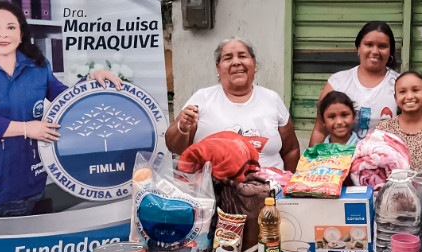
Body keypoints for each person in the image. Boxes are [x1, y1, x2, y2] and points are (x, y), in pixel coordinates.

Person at [0, 0, 122, 218]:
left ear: (21, 34)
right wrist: (25, 128)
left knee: (28, 237)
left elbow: (63, 98)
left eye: (11, 27)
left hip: (29, 177)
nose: (3, 34)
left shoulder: (38, 65)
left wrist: (91, 79)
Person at [166, 37, 300, 172]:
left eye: (242, 56)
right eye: (228, 58)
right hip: (214, 185)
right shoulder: (202, 98)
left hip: (271, 184)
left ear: (254, 64)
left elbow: (291, 150)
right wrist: (182, 128)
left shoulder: (272, 99)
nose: (236, 62)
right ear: (218, 67)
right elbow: (174, 147)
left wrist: (289, 181)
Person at [308, 21, 399, 146]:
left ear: (390, 51)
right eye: (369, 44)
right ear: (358, 48)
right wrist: (311, 157)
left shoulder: (400, 84)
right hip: (341, 157)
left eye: (382, 46)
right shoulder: (338, 82)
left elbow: (414, 126)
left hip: (386, 156)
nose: (375, 51)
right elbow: (320, 130)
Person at [375, 71, 422, 171]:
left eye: (415, 90)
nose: (409, 96)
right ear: (395, 98)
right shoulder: (383, 129)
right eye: (402, 92)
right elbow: (376, 167)